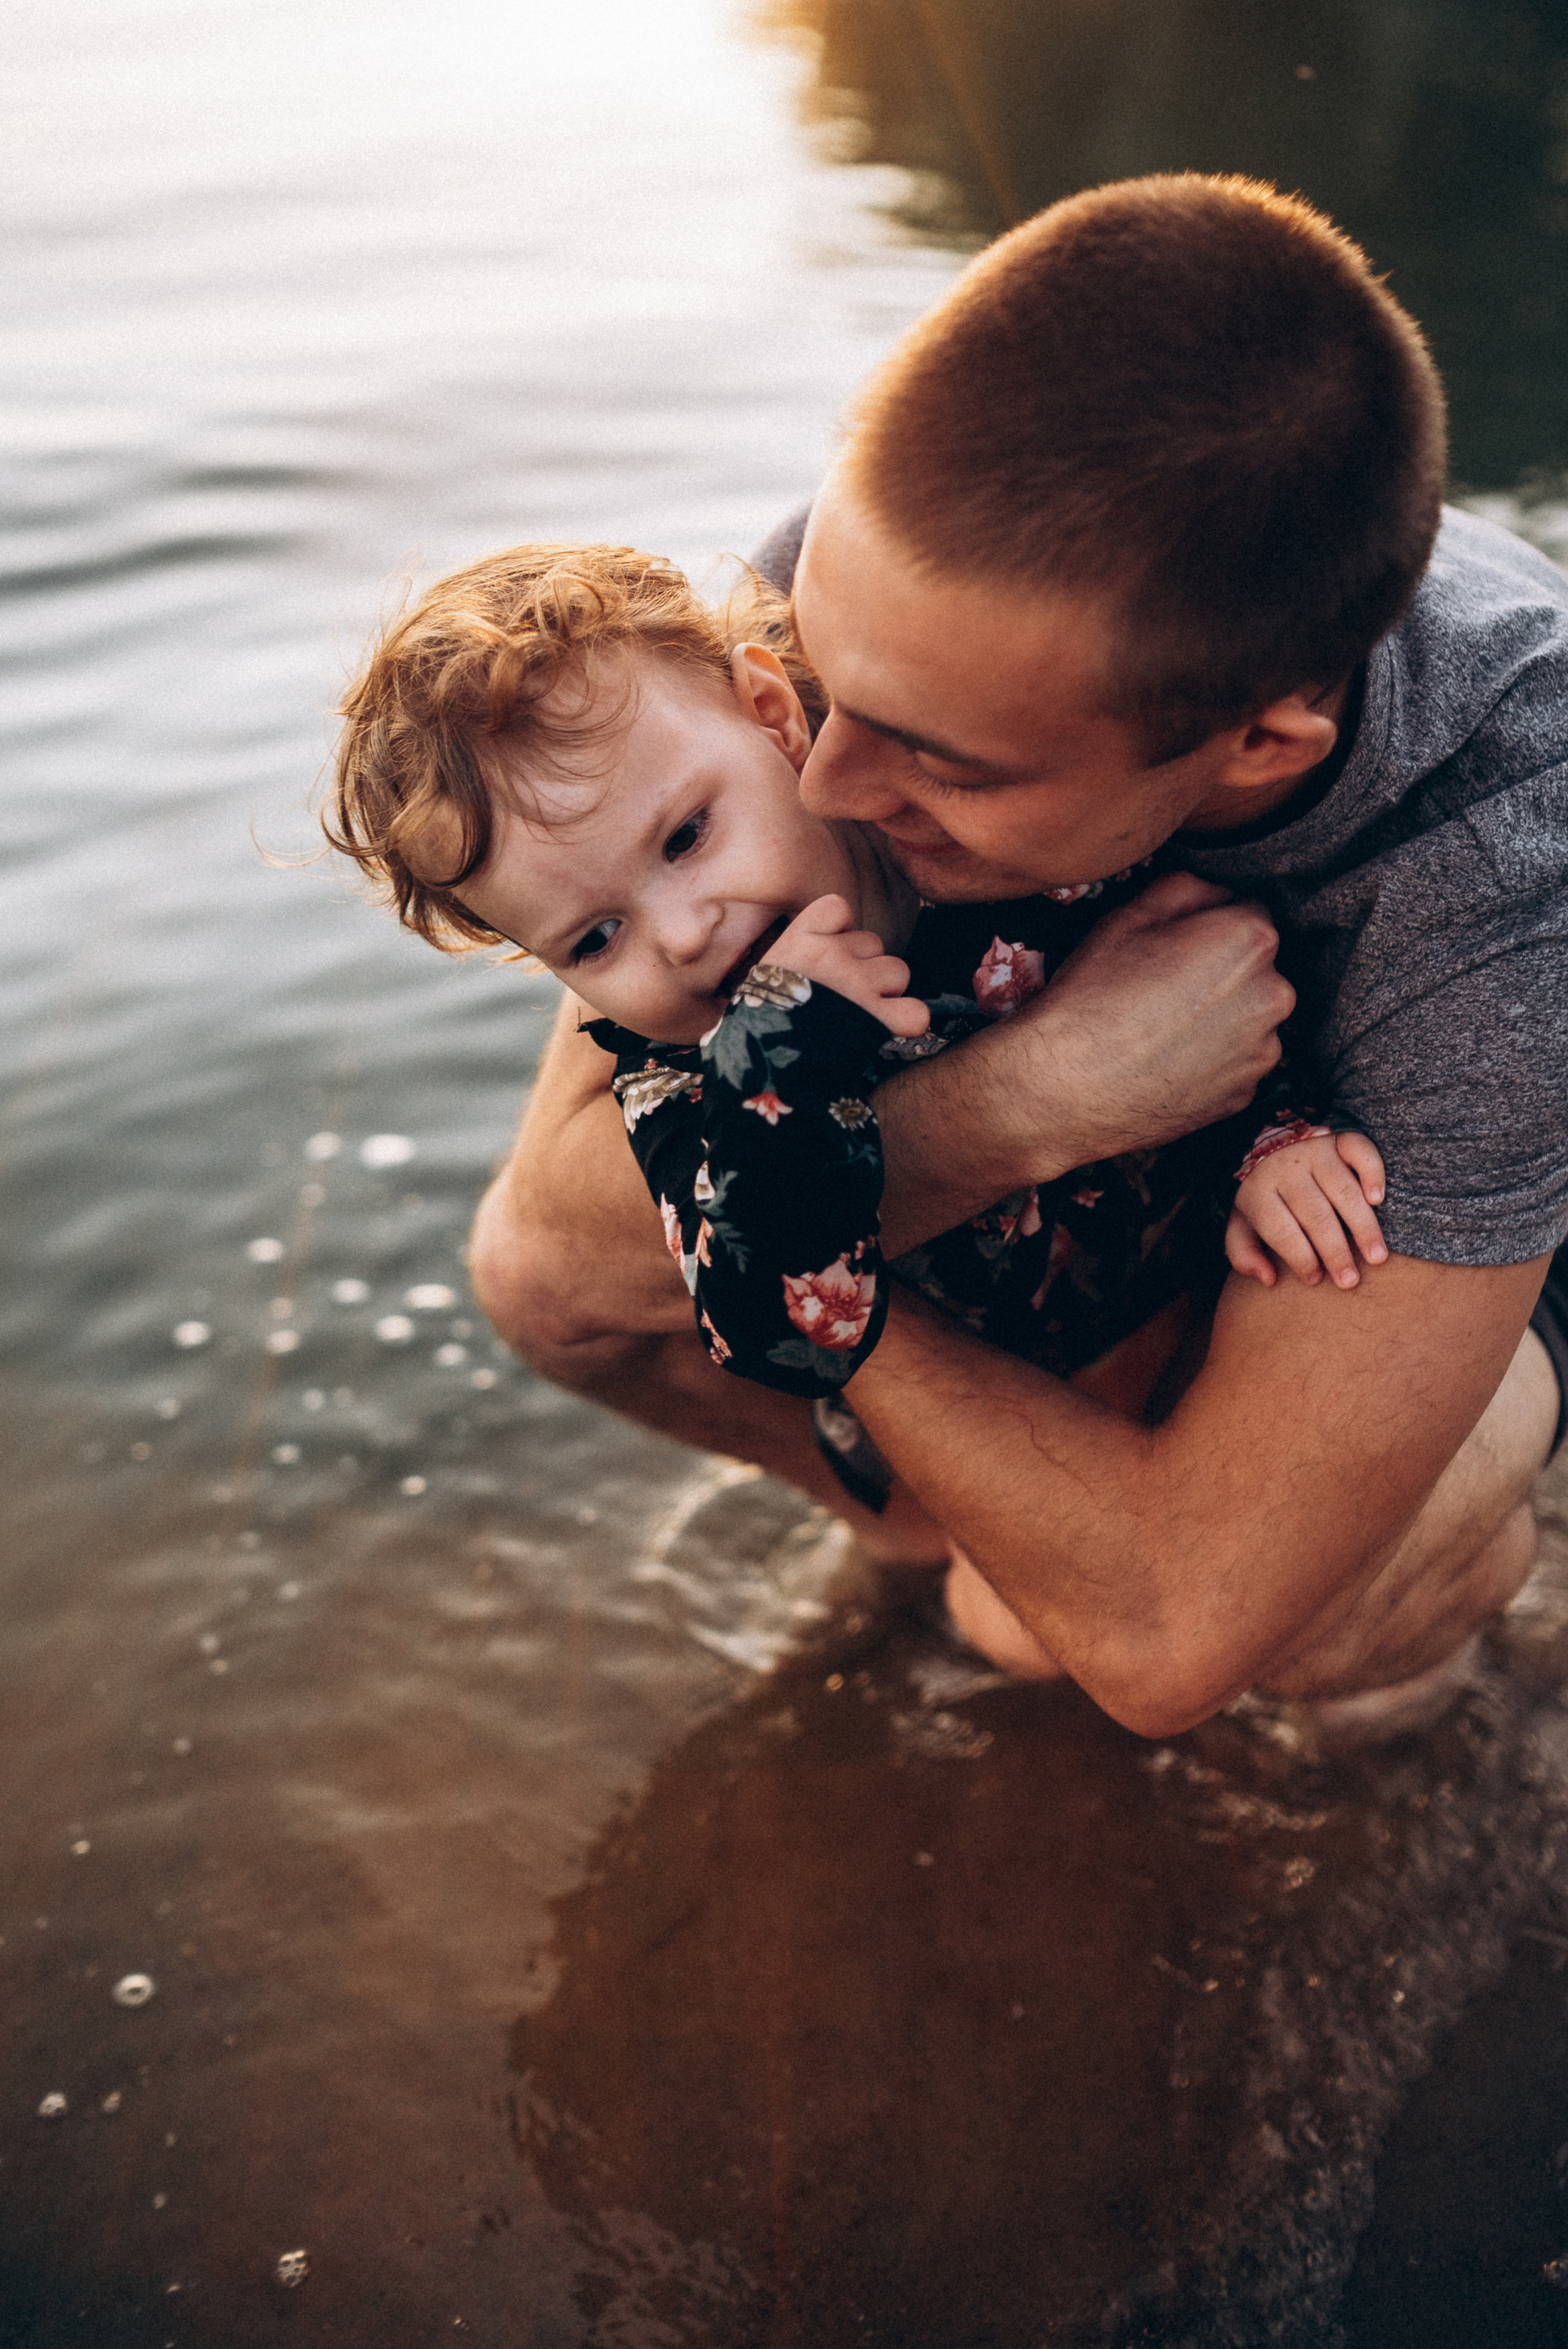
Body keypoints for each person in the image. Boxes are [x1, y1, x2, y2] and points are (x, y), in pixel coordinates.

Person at [469, 173, 1568, 1746]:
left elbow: (1166, 1632)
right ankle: (917, 1530)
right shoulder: (861, 607)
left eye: (935, 763)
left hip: (1445, 1232)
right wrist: (1035, 1103)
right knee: (545, 1289)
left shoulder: (1506, 868)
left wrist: (789, 1254)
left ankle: (1418, 1686)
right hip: (1099, 1150)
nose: (825, 785)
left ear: (1261, 744)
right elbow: (559, 1237)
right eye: (814, 690)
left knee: (1289, 1617)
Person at [325, 544, 1382, 1436]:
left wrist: (1275, 1142)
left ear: (775, 716)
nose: (686, 935)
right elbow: (779, 1334)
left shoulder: (1003, 851)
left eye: (687, 836)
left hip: (1185, 1278)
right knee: (999, 1623)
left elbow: (1215, 987)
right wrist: (777, 1055)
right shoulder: (681, 1079)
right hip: (995, 1397)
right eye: (596, 938)